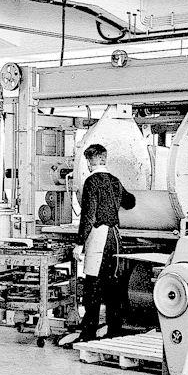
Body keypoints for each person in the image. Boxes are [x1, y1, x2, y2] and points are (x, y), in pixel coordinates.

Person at [72, 144, 136, 341]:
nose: (88, 165)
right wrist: (115, 197)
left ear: (93, 161)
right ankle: (114, 331)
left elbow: (88, 215)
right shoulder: (115, 181)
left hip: (99, 236)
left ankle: (88, 332)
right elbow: (130, 202)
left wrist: (79, 244)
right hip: (115, 238)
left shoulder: (91, 182)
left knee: (93, 286)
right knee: (113, 285)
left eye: (88, 161)